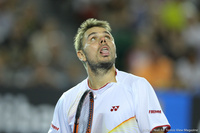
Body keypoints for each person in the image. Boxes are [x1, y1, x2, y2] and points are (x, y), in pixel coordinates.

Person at [48, 18, 171, 133]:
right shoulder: (67, 100)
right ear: (81, 55)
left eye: (107, 37)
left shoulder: (137, 86)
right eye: (93, 39)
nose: (103, 40)